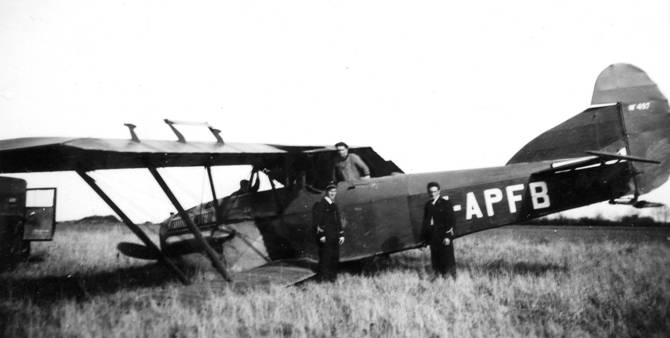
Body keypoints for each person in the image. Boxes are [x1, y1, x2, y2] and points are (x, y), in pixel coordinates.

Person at [422, 182, 457, 279]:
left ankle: (452, 279)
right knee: (435, 258)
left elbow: (451, 221)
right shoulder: (428, 205)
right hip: (433, 236)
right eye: (431, 192)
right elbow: (426, 222)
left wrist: (448, 237)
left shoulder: (445, 203)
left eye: (435, 191)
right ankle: (437, 277)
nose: (433, 194)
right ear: (428, 193)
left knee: (447, 258)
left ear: (439, 191)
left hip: (443, 235)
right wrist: (425, 239)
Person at [312, 183, 345, 281]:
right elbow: (317, 221)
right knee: (326, 258)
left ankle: (333, 278)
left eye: (334, 191)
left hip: (335, 235)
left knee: (335, 257)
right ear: (326, 192)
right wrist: (321, 235)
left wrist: (341, 234)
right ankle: (324, 279)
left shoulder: (334, 205)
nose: (333, 193)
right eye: (331, 191)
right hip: (326, 236)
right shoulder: (320, 205)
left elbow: (338, 221)